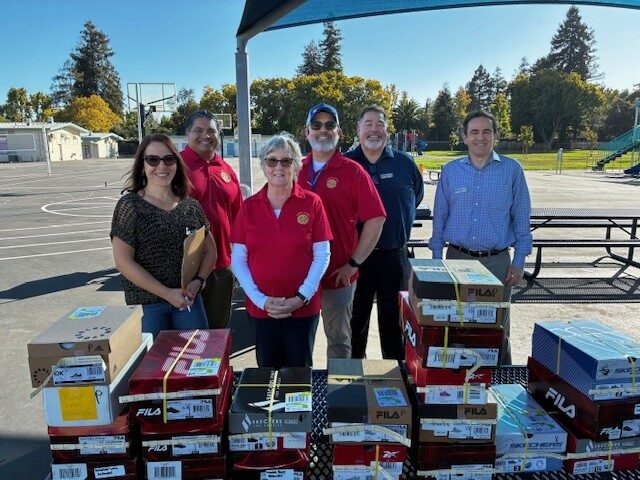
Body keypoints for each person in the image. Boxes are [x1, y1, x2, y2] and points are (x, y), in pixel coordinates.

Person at [429, 110, 532, 365]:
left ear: (496, 135)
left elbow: (521, 218)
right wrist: (436, 260)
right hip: (457, 261)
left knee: (496, 328)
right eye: (474, 132)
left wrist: (519, 262)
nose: (480, 137)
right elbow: (440, 218)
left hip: (497, 265)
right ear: (464, 137)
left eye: (487, 131)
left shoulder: (512, 170)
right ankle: (459, 380)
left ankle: (500, 379)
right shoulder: (451, 171)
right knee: (458, 325)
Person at [230, 133, 332, 368]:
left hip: (303, 310)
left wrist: (301, 297)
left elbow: (322, 255)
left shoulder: (312, 202)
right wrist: (260, 300)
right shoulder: (249, 207)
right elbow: (238, 259)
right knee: (266, 373)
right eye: (271, 160)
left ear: (296, 166)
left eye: (286, 161)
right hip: (262, 310)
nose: (278, 167)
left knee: (299, 374)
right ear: (263, 165)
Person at [298, 103, 386, 359]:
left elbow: (376, 218)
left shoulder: (353, 171)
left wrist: (353, 263)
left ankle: (338, 385)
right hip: (299, 276)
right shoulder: (294, 169)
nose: (322, 130)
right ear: (307, 132)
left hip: (337, 275)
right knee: (298, 341)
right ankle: (301, 384)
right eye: (316, 125)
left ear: (339, 132)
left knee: (339, 340)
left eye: (329, 125)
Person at [111, 133, 217, 338]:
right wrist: (167, 293)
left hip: (187, 300)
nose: (161, 166)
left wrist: (199, 281)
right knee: (153, 359)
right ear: (142, 165)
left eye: (168, 159)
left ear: (176, 164)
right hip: (147, 305)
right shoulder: (130, 206)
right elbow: (123, 262)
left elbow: (210, 250)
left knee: (195, 356)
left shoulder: (190, 206)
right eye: (153, 159)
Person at [345, 105, 424, 360]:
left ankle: (394, 374)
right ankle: (353, 375)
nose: (374, 129)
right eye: (368, 124)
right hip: (355, 260)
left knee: (394, 323)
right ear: (358, 130)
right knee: (355, 321)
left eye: (379, 124)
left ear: (387, 131)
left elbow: (416, 197)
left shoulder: (404, 163)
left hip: (394, 257)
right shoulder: (345, 164)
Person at [182, 110, 242, 329]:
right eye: (198, 130)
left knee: (217, 332)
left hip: (222, 266)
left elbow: (239, 217)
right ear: (187, 134)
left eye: (211, 131)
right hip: (186, 269)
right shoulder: (175, 166)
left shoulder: (225, 169)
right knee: (188, 337)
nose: (205, 136)